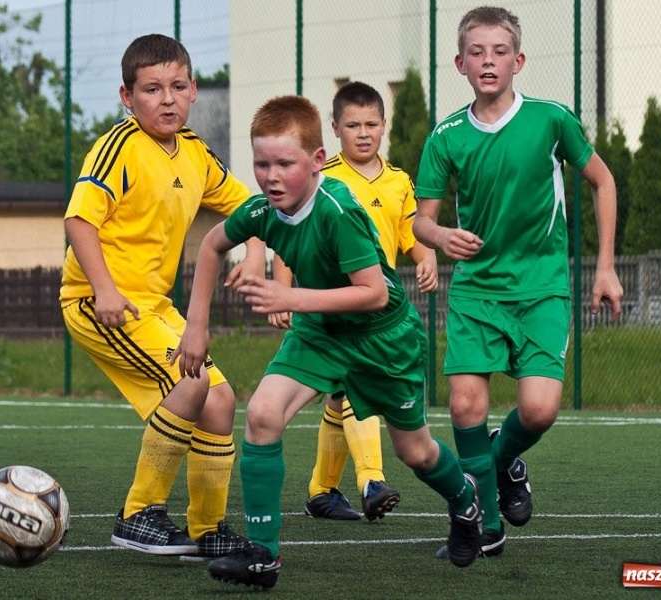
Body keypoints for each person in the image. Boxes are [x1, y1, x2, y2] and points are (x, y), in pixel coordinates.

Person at [173, 95, 483, 589]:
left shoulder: (338, 211)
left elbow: (374, 292)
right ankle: (263, 555)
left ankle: (465, 502)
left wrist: (290, 297)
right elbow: (212, 246)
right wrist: (197, 325)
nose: (271, 177)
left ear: (318, 160)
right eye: (262, 164)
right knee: (262, 413)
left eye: (285, 164)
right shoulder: (263, 209)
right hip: (320, 332)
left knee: (415, 452)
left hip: (383, 338)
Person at [412, 6, 624, 560]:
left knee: (539, 410)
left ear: (519, 61)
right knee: (464, 406)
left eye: (500, 52)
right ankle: (486, 526)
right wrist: (440, 236)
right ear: (460, 63)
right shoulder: (446, 136)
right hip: (477, 291)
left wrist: (604, 267)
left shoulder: (551, 120)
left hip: (542, 287)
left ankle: (503, 459)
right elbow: (421, 221)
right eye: (477, 52)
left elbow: (603, 181)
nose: (489, 61)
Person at [59, 33, 265, 560]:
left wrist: (257, 252)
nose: (167, 99)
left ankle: (208, 529)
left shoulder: (195, 152)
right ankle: (138, 514)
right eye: (151, 89)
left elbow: (250, 207)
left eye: (177, 86)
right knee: (190, 383)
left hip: (154, 308)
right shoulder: (118, 147)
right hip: (99, 304)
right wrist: (105, 290)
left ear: (194, 89)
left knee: (220, 398)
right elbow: (79, 220)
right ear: (127, 97)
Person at [272, 82, 438, 522]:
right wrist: (282, 291)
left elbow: (411, 234)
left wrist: (427, 259)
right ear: (334, 129)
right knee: (350, 386)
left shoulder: (399, 181)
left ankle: (321, 491)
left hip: (375, 313)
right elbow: (289, 234)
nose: (363, 133)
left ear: (384, 125)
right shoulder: (322, 178)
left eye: (370, 124)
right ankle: (372, 481)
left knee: (340, 399)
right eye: (352, 125)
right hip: (329, 310)